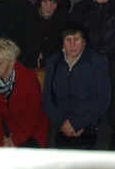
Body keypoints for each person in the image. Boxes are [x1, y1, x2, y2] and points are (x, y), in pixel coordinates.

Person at [42, 22, 111, 150]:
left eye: (77, 39)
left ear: (84, 41)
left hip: (90, 123)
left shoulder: (97, 61)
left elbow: (102, 100)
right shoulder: (54, 62)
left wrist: (75, 123)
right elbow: (47, 99)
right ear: (62, 43)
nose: (72, 45)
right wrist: (63, 124)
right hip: (60, 124)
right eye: (68, 40)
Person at [0, 38, 49, 148]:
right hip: (6, 128)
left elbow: (32, 115)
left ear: (12, 62)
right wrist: (2, 139)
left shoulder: (29, 79)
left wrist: (16, 140)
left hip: (31, 129)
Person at [35, 0, 70, 67]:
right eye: (45, 1)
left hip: (57, 63)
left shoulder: (64, 19)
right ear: (40, 2)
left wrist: (44, 56)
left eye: (53, 2)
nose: (48, 6)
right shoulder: (31, 17)